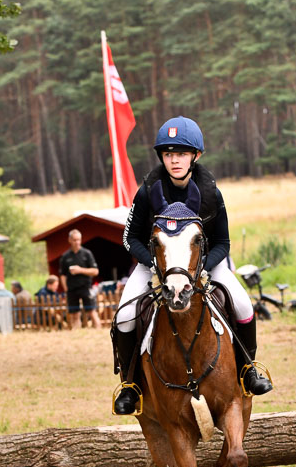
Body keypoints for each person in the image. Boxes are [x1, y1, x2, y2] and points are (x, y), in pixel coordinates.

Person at [113, 115, 272, 415]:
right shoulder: (147, 191)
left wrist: (202, 270)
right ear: (162, 156)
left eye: (182, 153)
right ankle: (130, 386)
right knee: (124, 315)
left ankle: (248, 371)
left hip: (206, 264)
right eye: (169, 154)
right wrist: (154, 266)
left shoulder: (211, 192)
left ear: (195, 156)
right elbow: (129, 238)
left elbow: (223, 242)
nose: (175, 160)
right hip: (155, 265)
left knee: (243, 305)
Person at [59, 229, 101, 330]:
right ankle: (76, 334)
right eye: (74, 240)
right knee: (74, 314)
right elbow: (62, 275)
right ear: (69, 240)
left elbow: (95, 271)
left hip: (85, 287)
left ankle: (98, 331)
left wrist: (80, 270)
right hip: (72, 289)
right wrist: (66, 288)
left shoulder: (87, 254)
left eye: (79, 240)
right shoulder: (65, 257)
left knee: (91, 311)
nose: (77, 242)